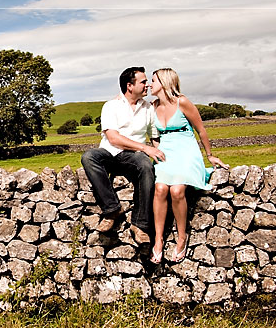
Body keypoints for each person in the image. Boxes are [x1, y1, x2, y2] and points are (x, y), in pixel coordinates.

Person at [148, 68, 229, 264]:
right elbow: (153, 134)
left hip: (186, 151)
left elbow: (201, 130)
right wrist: (156, 150)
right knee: (160, 188)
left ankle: (181, 236)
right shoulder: (153, 105)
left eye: (153, 80)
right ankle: (158, 240)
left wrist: (210, 156)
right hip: (166, 152)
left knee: (176, 190)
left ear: (165, 82)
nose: (150, 84)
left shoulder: (182, 102)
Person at [81, 67, 166, 244]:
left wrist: (162, 155)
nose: (147, 85)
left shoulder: (148, 108)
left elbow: (155, 136)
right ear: (129, 86)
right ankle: (112, 210)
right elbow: (113, 138)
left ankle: (139, 225)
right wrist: (145, 148)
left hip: (132, 157)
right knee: (89, 156)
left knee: (146, 166)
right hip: (109, 153)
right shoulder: (111, 106)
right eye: (143, 82)